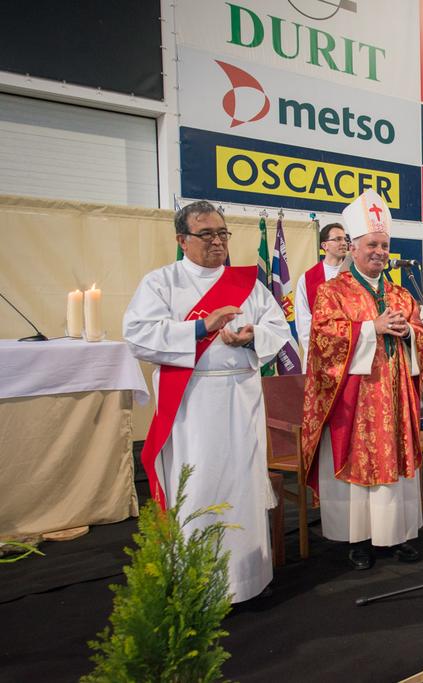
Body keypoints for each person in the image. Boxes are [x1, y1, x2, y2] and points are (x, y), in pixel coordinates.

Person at [123, 200, 292, 603]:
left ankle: (249, 581)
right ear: (182, 239)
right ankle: (199, 586)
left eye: (222, 234)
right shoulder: (161, 282)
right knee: (199, 487)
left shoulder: (248, 283)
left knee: (243, 488)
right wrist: (202, 326)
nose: (217, 242)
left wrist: (252, 336)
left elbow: (278, 327)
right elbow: (138, 335)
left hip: (240, 399)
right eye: (207, 235)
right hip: (192, 404)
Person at [300, 190, 423, 571]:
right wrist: (369, 329)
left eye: (384, 244)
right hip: (355, 399)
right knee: (358, 463)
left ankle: (398, 534)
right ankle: (358, 540)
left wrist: (409, 333)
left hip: (395, 395)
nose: (379, 251)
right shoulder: (333, 291)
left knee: (398, 462)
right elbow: (323, 338)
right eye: (371, 244)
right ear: (352, 248)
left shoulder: (400, 293)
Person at [296, 221, 348, 367]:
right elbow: (304, 320)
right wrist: (322, 349)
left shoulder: (355, 276)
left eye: (345, 239)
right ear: (324, 245)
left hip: (350, 352)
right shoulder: (307, 279)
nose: (344, 243)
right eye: (338, 239)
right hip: (320, 353)